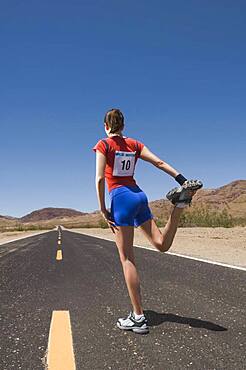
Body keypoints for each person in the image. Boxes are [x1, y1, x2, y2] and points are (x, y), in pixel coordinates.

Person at [93, 108, 202, 334]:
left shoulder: (103, 144)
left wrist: (103, 208)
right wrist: (181, 179)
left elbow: (100, 177)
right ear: (123, 126)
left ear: (106, 126)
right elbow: (159, 162)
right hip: (139, 196)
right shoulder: (134, 144)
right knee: (162, 245)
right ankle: (179, 206)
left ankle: (139, 318)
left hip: (121, 199)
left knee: (127, 258)